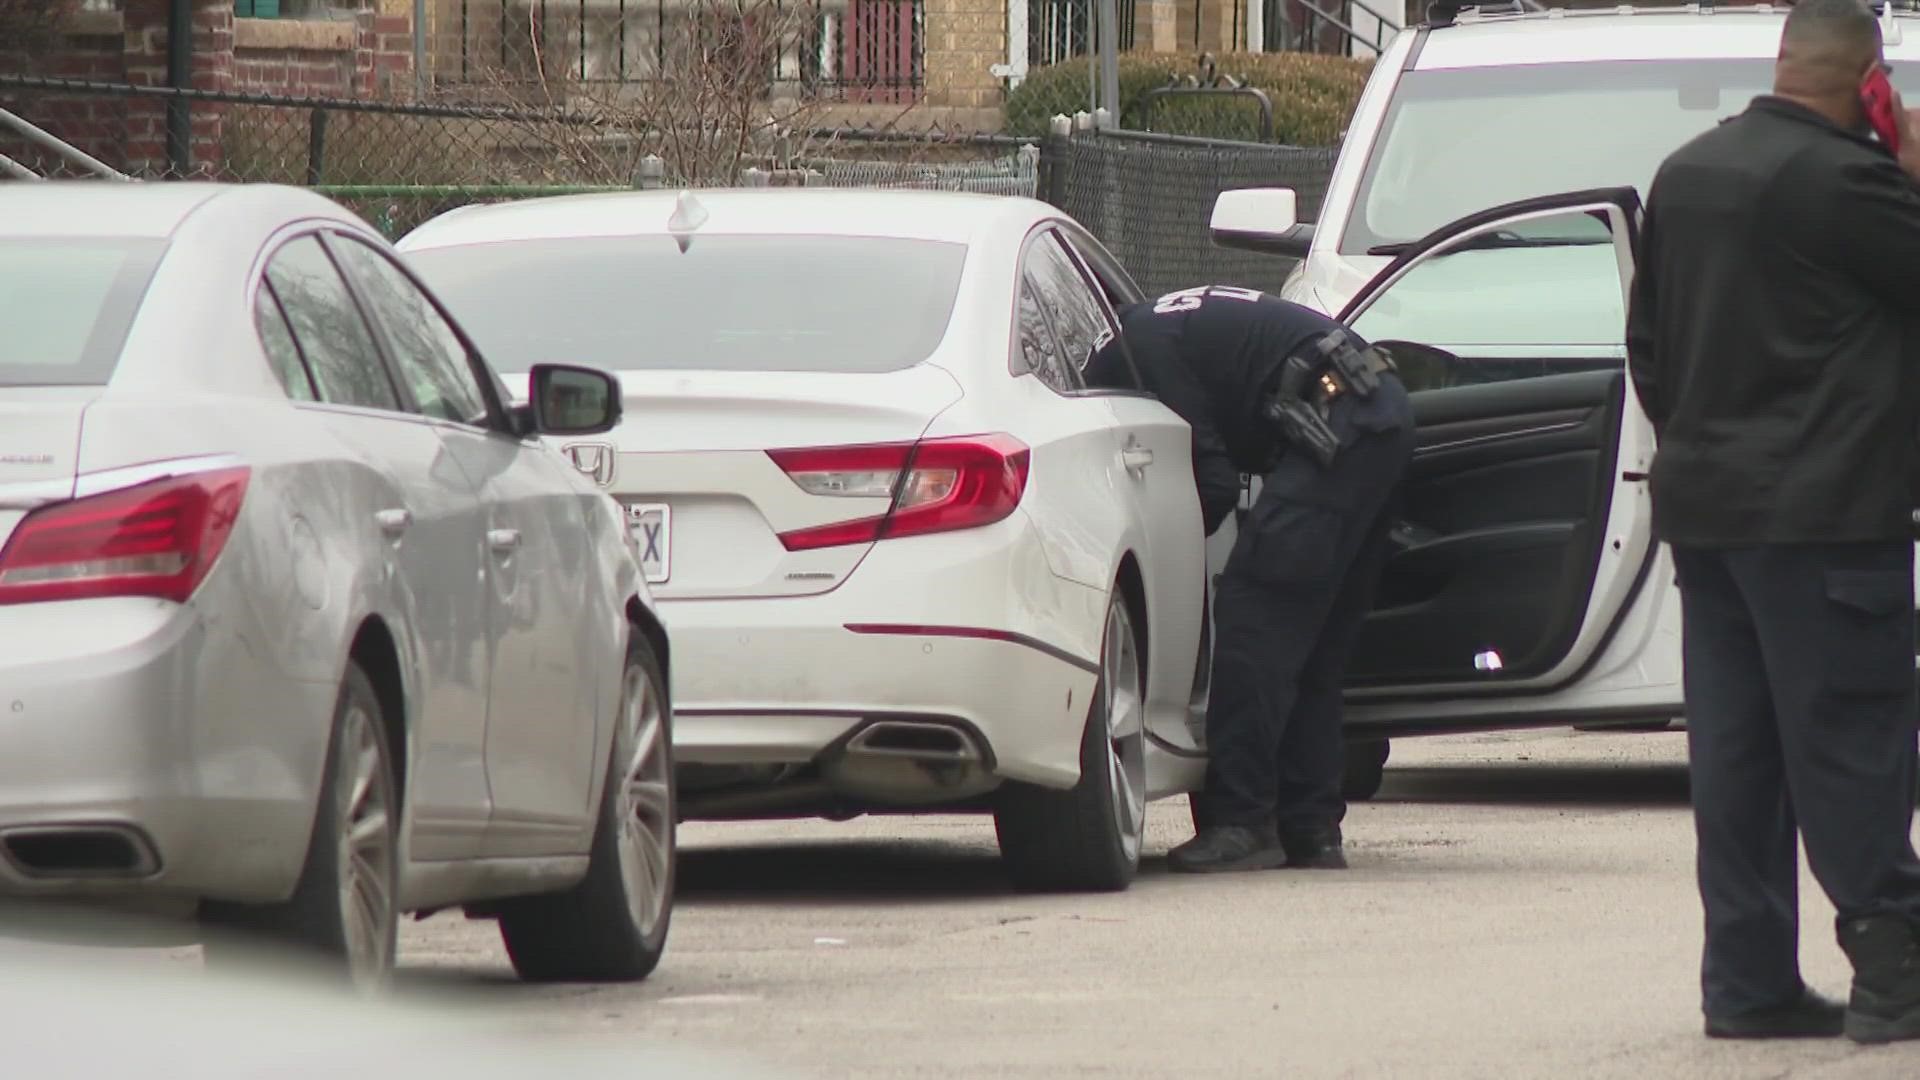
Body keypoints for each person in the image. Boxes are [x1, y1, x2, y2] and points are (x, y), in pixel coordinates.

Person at [1625, 0, 1920, 1044]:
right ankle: (1895, 967)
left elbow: (1647, 352)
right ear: (1868, 83)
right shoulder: (1852, 184)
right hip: (1832, 519)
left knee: (1740, 755)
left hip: (1710, 518)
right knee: (1850, 738)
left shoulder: (1687, 173)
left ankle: (1746, 981)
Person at [1088, 285, 1415, 874]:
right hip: (1374, 409)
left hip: (1337, 421)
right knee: (1311, 645)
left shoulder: (1131, 349)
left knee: (1253, 617)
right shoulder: (1167, 321)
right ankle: (1312, 831)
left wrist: (1164, 567)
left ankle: (1242, 821)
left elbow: (1211, 480)